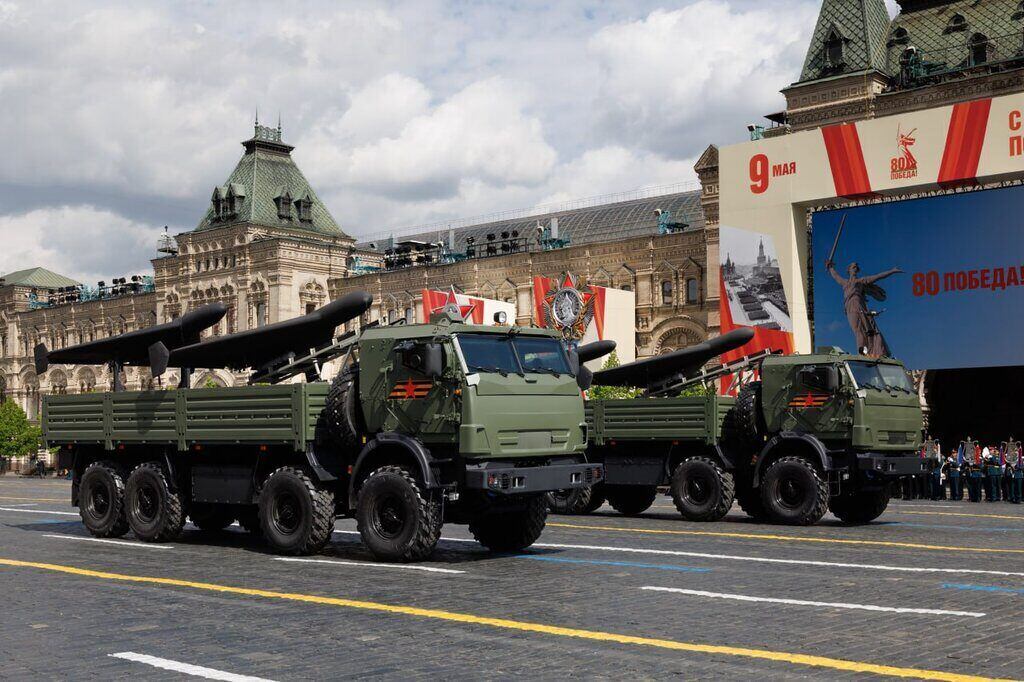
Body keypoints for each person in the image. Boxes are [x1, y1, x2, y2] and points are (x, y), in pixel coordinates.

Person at [825, 258, 902, 357]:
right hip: (849, 307)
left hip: (858, 305)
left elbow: (878, 276)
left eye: (856, 267)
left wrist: (892, 271)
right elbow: (835, 276)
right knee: (857, 330)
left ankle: (862, 355)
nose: (855, 268)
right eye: (853, 267)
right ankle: (865, 353)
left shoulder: (861, 281)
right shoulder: (845, 282)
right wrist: (830, 267)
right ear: (849, 270)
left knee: (860, 331)